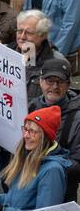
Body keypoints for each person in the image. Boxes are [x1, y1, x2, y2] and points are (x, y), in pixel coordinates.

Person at [29, 57, 80, 196]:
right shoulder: (32, 107)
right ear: (40, 81)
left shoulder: (77, 117)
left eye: (60, 82)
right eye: (49, 81)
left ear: (68, 85)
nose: (55, 86)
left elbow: (78, 167)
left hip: (62, 193)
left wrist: (46, 163)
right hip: (29, 189)